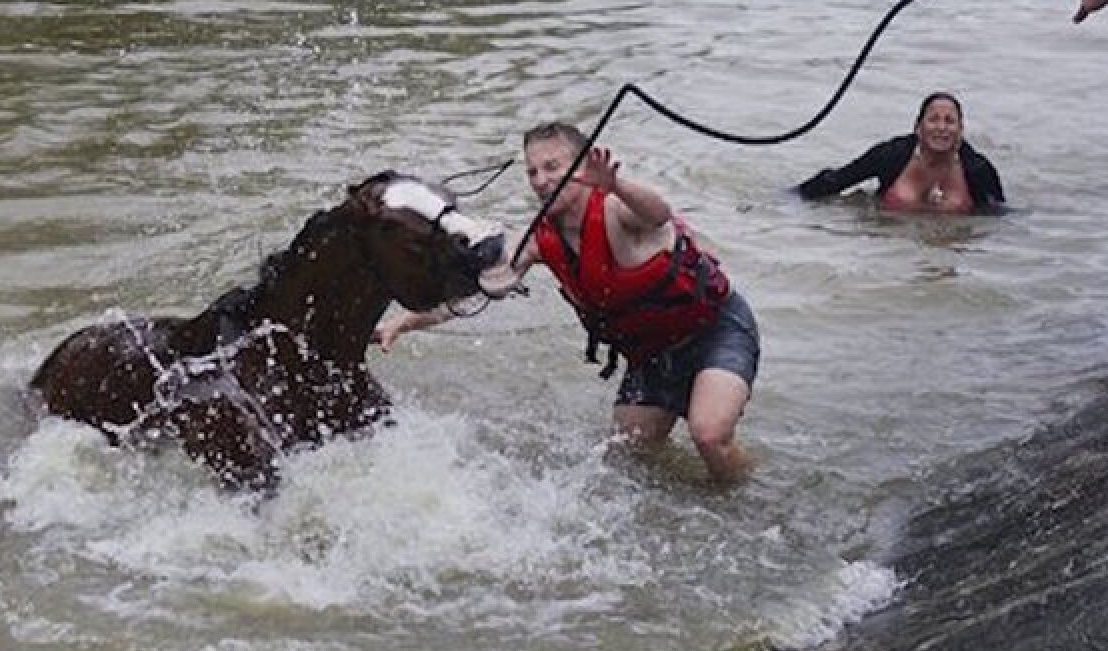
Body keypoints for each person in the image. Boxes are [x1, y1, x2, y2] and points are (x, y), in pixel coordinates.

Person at [373, 122, 761, 483]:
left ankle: (747, 499)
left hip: (715, 331)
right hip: (651, 357)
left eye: (552, 167)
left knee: (709, 435)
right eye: (532, 172)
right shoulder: (539, 241)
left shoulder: (616, 207)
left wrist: (616, 184)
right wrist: (402, 323)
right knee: (626, 459)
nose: (541, 181)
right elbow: (480, 291)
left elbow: (658, 215)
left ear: (583, 164)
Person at [795, 92, 1005, 214]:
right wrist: (790, 200)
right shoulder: (890, 155)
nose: (941, 127)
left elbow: (999, 216)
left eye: (950, 121)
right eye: (933, 119)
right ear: (918, 128)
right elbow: (837, 180)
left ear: (960, 130)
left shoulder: (978, 169)